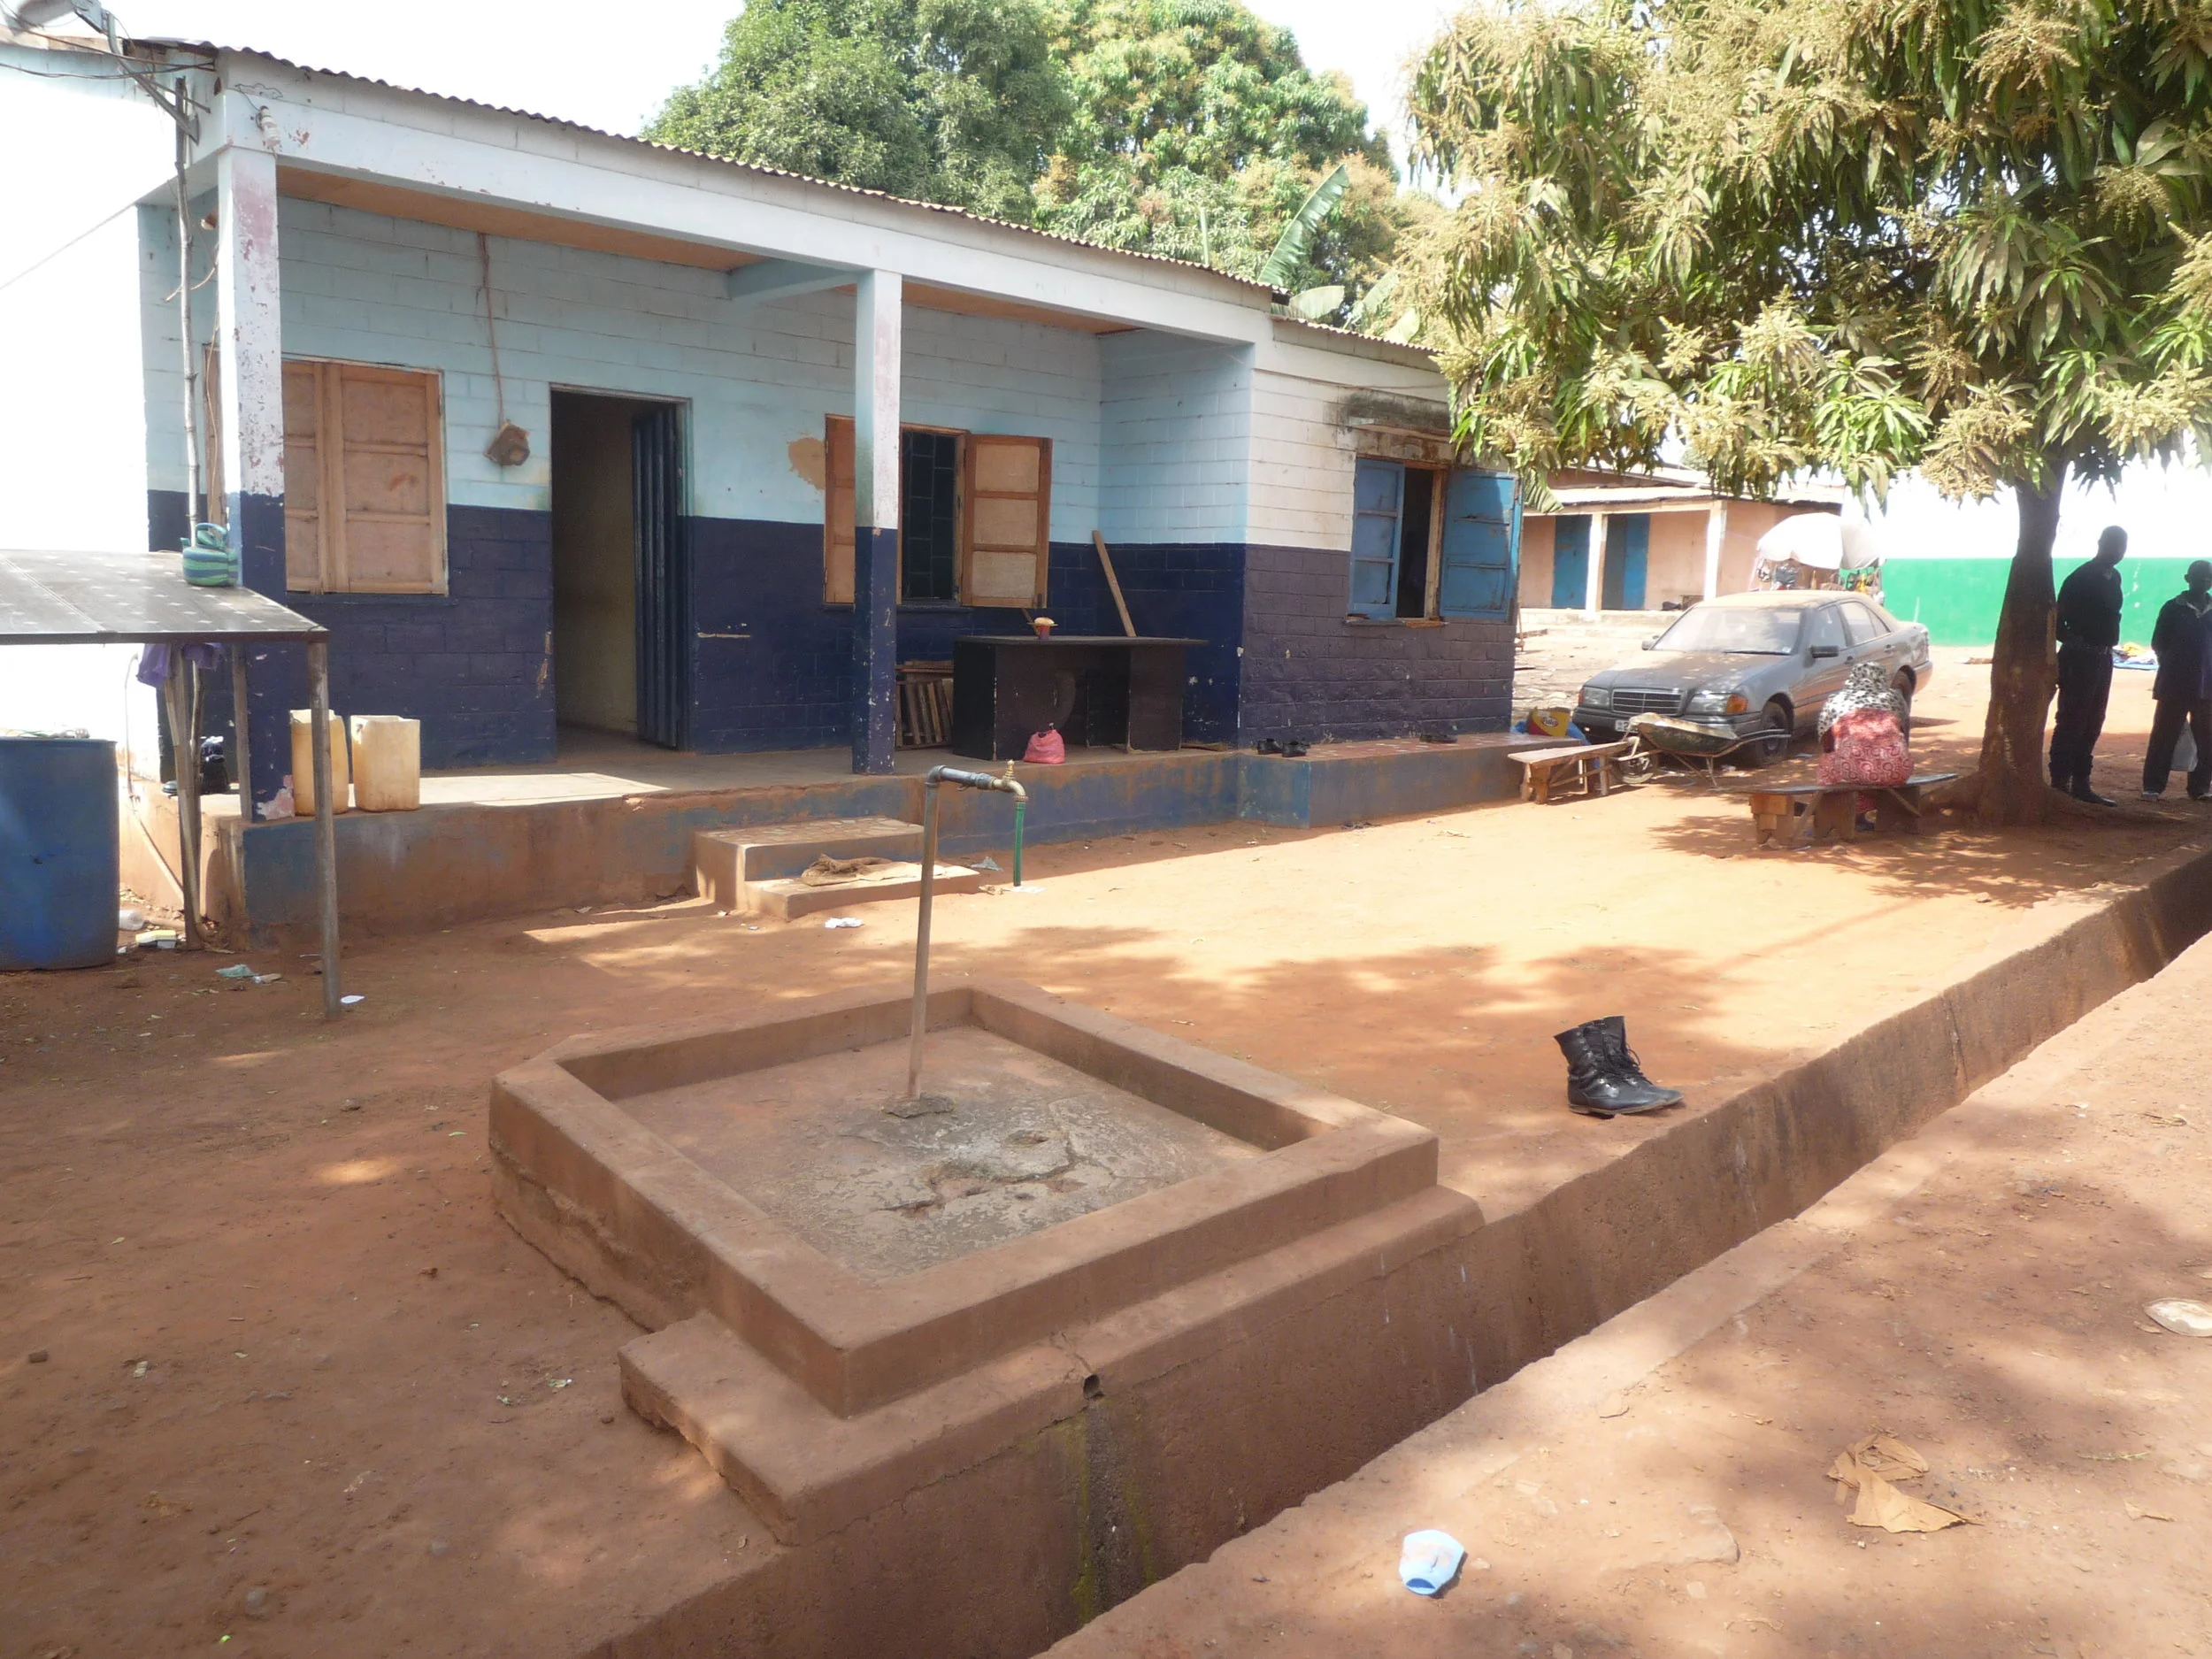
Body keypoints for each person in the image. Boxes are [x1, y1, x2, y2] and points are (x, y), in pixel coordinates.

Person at [2050, 526, 2127, 805]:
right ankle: (2060, 783)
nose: (2118, 551)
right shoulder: (2081, 577)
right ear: (2100, 543)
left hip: (2104, 658)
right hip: (2079, 659)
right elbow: (2058, 619)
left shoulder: (2114, 577)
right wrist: (2074, 641)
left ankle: (2082, 783)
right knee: (2072, 719)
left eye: (2122, 546)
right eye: (2113, 544)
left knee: (2094, 720)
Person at [2142, 558, 2212, 800]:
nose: (2204, 581)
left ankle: (2200, 788)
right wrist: (2174, 666)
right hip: (2174, 685)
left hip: (2207, 687)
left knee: (2207, 738)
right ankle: (2153, 786)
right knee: (2164, 736)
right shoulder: (2172, 608)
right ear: (2187, 579)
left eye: (2208, 578)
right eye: (2198, 577)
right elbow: (2158, 643)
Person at [1818, 661, 1911, 814]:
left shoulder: (1836, 700)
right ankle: (1870, 812)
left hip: (1853, 772)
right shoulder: (1894, 698)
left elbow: (1827, 744)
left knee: (1831, 763)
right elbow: (1904, 735)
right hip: (1897, 771)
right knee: (1856, 764)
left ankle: (1847, 813)